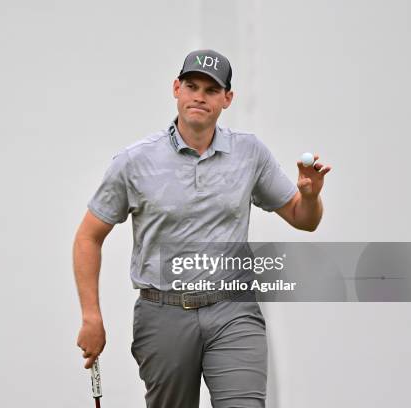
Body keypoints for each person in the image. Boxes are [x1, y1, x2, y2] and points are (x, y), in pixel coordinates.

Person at [72, 49, 332, 408]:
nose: (199, 96)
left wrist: (310, 196)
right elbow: (88, 236)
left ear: (227, 98)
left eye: (211, 90)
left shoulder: (250, 153)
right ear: (176, 88)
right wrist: (91, 317)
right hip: (162, 313)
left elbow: (304, 220)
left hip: (233, 310)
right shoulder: (134, 161)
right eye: (191, 86)